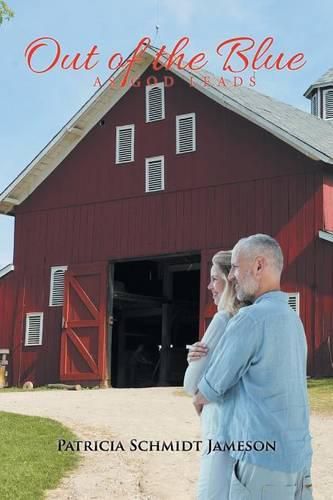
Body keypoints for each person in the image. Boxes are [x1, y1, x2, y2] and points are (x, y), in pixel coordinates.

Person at [194, 234, 313, 499]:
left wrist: (198, 398)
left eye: (235, 267)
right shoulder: (293, 320)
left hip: (261, 462)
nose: (232, 276)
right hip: (298, 460)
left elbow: (210, 388)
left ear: (259, 266)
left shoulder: (250, 319)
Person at [183, 250, 242, 500]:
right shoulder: (248, 319)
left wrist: (193, 366)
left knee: (213, 488)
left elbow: (190, 385)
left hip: (219, 420)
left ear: (229, 280)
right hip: (241, 422)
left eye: (214, 278)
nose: (209, 286)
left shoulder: (222, 320)